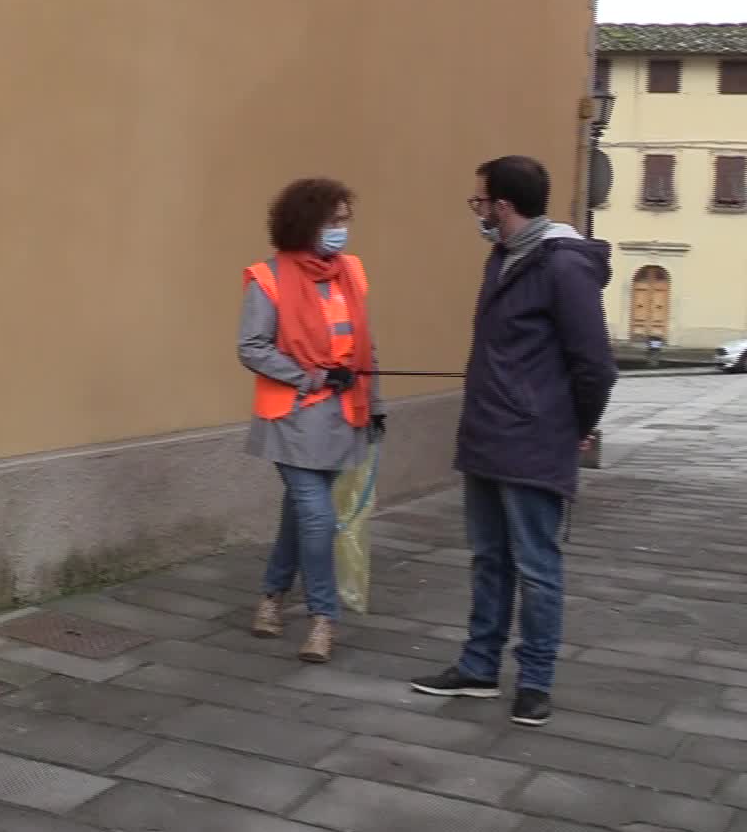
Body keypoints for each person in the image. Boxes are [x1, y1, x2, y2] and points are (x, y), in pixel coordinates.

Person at [410, 154, 616, 727]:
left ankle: (535, 682)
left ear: (502, 205)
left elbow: (595, 364)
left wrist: (573, 425)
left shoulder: (561, 266)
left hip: (534, 439)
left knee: (536, 565)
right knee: (489, 559)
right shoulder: (504, 259)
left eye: (480, 202)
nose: (477, 212)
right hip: (488, 434)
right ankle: (478, 668)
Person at [239, 178, 385, 664]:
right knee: (319, 517)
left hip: (343, 415)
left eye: (346, 220)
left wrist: (376, 405)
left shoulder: (353, 274)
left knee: (300, 514)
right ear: (307, 223)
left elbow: (367, 348)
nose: (343, 230)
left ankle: (270, 596)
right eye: (334, 220)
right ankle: (323, 619)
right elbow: (252, 347)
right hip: (294, 417)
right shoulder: (268, 277)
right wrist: (310, 375)